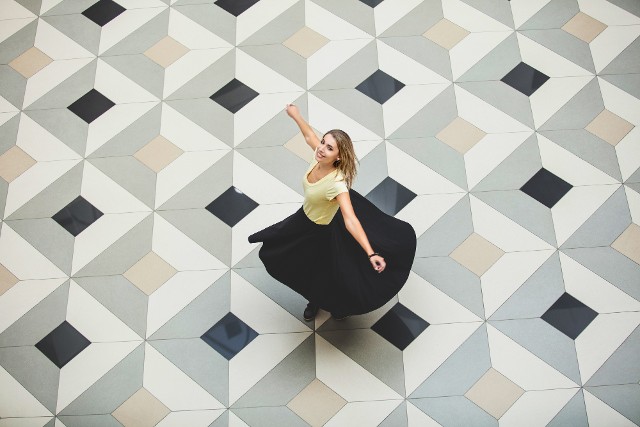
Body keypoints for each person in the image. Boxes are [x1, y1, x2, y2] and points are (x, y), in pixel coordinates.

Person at [248, 104, 416, 321]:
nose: (321, 149)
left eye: (329, 148)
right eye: (323, 143)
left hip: (321, 230)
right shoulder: (317, 158)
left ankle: (321, 301)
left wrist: (371, 253)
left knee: (323, 270)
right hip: (304, 220)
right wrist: (296, 115)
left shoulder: (336, 185)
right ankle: (319, 298)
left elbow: (351, 220)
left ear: (338, 157)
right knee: (282, 253)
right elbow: (309, 136)